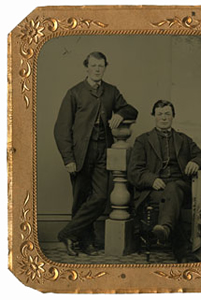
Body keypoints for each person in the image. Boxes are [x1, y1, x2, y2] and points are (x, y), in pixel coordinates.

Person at [54, 51, 138, 256]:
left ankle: (66, 234)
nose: (97, 69)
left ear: (105, 67)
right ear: (87, 68)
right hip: (80, 153)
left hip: (103, 151)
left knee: (100, 197)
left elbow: (131, 110)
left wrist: (119, 113)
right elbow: (61, 129)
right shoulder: (74, 93)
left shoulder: (111, 91)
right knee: (80, 199)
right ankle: (86, 242)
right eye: (93, 66)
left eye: (101, 66)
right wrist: (68, 159)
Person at [128, 100, 201, 248]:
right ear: (154, 116)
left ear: (173, 116)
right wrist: (152, 179)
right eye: (160, 114)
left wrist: (196, 162)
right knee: (173, 204)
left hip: (180, 187)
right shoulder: (142, 141)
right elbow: (134, 171)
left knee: (173, 189)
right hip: (155, 190)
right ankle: (182, 252)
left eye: (167, 114)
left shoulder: (183, 139)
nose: (164, 118)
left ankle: (165, 228)